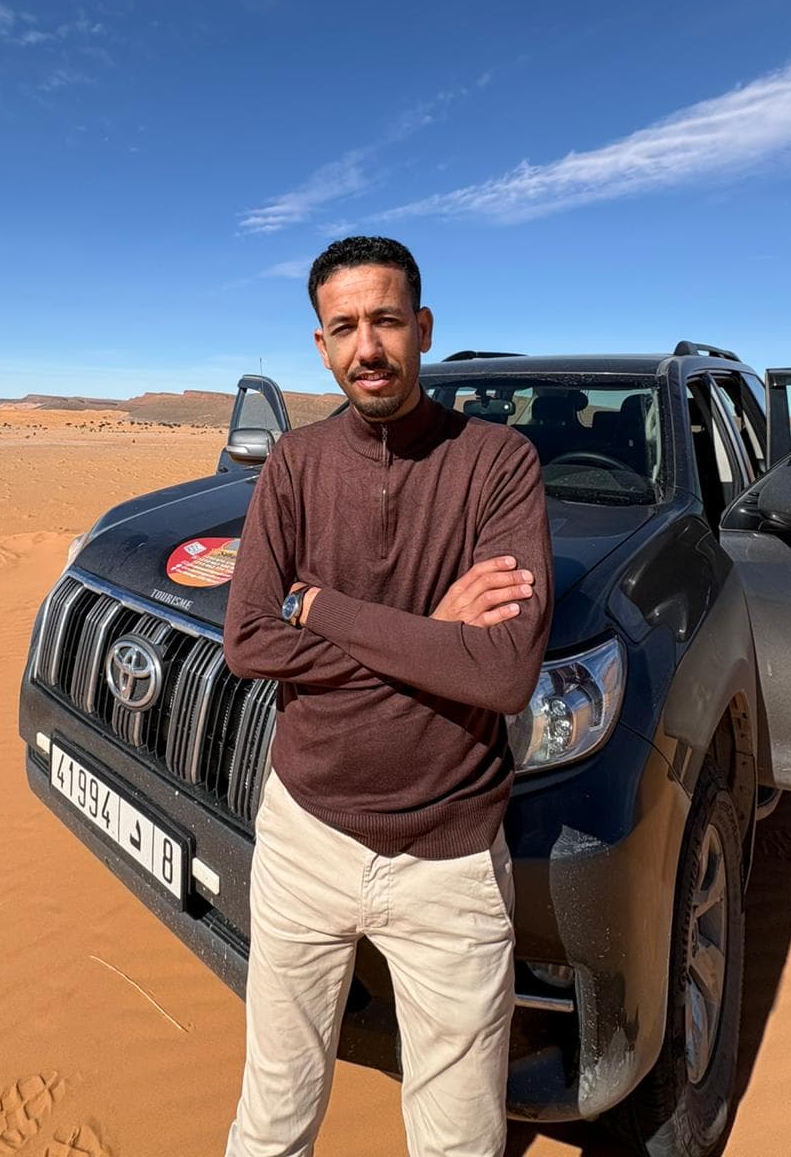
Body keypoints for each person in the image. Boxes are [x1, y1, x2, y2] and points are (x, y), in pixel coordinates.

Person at [223, 235, 553, 1157]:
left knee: (457, 1141)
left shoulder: (497, 463)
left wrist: (321, 607)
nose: (367, 346)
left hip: (446, 861)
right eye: (344, 327)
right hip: (304, 838)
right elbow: (249, 641)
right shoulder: (293, 464)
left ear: (424, 328)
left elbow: (500, 673)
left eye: (386, 321)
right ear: (321, 347)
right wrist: (434, 633)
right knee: (272, 1120)